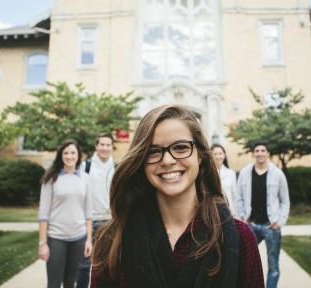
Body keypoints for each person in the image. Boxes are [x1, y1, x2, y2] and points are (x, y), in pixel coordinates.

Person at [91, 105, 264, 288]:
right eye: (153, 151)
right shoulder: (112, 240)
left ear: (200, 156)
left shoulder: (241, 238)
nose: (167, 160)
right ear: (141, 161)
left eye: (180, 147)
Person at [38, 139, 93, 288]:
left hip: (79, 238)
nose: (69, 156)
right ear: (61, 155)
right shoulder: (50, 178)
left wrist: (88, 239)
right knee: (54, 284)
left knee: (70, 283)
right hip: (56, 238)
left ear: (78, 155)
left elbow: (88, 212)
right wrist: (43, 243)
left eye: (73, 153)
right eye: (66, 153)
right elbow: (43, 213)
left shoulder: (85, 179)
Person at [235, 141, 290, 288]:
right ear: (254, 153)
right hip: (251, 225)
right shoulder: (245, 173)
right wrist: (242, 217)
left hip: (271, 227)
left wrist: (280, 222)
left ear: (267, 153)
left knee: (273, 266)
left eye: (263, 150)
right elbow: (238, 197)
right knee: (244, 261)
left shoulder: (278, 174)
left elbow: (285, 201)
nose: (260, 153)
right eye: (257, 151)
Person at [77, 133, 115, 288]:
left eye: (108, 145)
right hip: (89, 222)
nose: (105, 148)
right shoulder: (86, 166)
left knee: (109, 265)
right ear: (96, 146)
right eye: (102, 144)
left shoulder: (117, 167)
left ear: (112, 147)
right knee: (84, 266)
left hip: (110, 222)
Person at [211, 143, 237, 214]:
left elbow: (234, 195)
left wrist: (236, 213)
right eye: (215, 154)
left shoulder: (231, 173)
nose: (218, 156)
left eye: (220, 153)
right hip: (213, 211)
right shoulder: (207, 173)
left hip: (229, 211)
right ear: (211, 156)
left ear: (224, 155)